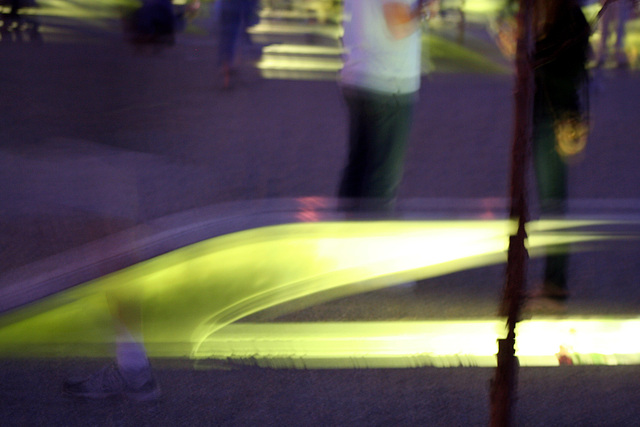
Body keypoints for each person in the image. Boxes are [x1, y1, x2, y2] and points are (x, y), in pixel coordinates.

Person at [337, 0, 434, 215]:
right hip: (389, 82)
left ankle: (343, 235)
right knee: (380, 180)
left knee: (357, 170)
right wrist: (425, 8)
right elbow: (398, 26)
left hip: (358, 73)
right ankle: (369, 242)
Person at [528, 0, 591, 311]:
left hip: (554, 121)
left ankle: (555, 284)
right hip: (552, 116)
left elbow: (562, 73)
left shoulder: (565, 21)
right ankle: (554, 282)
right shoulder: (561, 18)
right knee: (552, 201)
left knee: (553, 203)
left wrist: (528, 56)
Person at [216, 0, 260, 88]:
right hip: (238, 9)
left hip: (228, 8)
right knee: (234, 36)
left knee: (227, 38)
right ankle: (229, 65)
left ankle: (226, 66)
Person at [596, 0, 635, 68]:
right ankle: (604, 57)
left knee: (618, 30)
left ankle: (617, 57)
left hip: (618, 3)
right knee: (610, 30)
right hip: (611, 3)